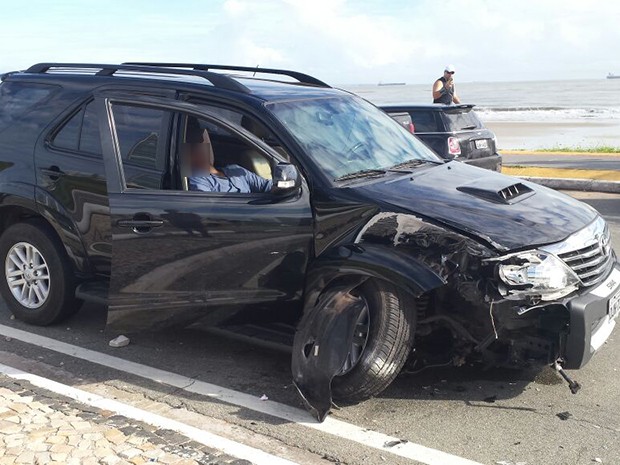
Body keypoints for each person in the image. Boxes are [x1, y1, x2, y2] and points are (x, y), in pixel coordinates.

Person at [186, 121, 272, 194]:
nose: (201, 150)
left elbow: (267, 186)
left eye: (205, 144)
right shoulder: (198, 179)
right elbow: (205, 207)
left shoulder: (236, 170)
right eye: (195, 146)